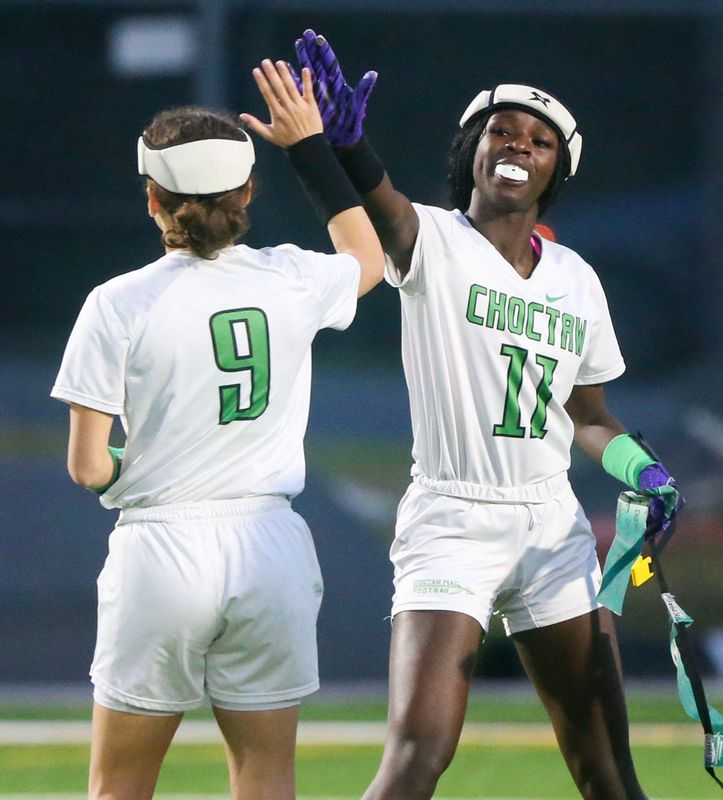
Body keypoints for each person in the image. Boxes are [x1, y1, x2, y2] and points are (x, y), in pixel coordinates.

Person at [294, 29, 683, 800]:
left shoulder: (576, 277)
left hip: (551, 525)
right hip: (451, 516)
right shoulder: (433, 238)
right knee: (416, 755)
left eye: (538, 139)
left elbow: (590, 417)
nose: (517, 143)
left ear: (555, 169)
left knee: (608, 771)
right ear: (472, 148)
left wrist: (641, 468)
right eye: (499, 129)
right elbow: (384, 209)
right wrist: (346, 148)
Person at [50, 59, 384, 800]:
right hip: (270, 548)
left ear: (152, 198)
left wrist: (132, 462)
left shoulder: (116, 303)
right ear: (246, 193)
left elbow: (86, 468)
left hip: (162, 549)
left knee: (120, 785)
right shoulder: (290, 280)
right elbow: (367, 256)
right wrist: (311, 148)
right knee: (266, 774)